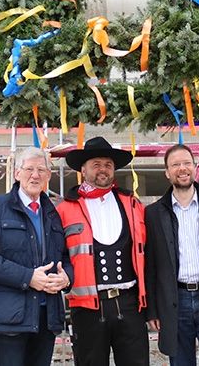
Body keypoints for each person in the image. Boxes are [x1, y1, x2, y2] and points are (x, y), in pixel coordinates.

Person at [0, 147, 72, 366]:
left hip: (47, 315)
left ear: (48, 176)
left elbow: (65, 256)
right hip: (11, 316)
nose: (35, 175)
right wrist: (28, 277)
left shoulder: (53, 213)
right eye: (29, 169)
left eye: (41, 170)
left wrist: (66, 278)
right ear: (16, 173)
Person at [57, 136, 149, 366]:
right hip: (88, 307)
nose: (103, 169)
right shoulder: (64, 209)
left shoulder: (133, 204)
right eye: (96, 164)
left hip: (129, 304)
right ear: (83, 169)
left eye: (108, 164)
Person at [145, 144, 199, 366]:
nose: (182, 169)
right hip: (175, 300)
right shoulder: (153, 213)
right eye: (175, 165)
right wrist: (153, 309)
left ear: (195, 167)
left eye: (186, 163)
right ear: (167, 172)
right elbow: (150, 265)